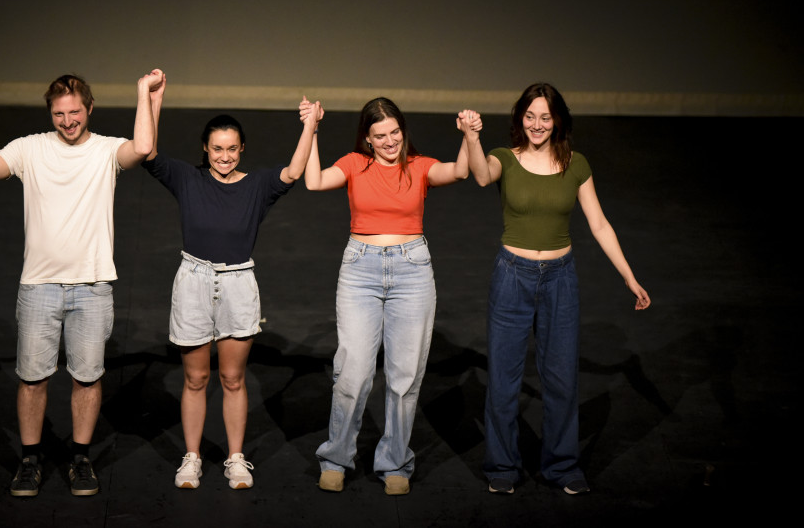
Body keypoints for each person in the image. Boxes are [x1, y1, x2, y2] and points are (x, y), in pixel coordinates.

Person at [0, 70, 164, 497]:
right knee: (33, 378)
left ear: (89, 108)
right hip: (39, 287)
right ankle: (30, 460)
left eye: (75, 112)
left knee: (86, 379)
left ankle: (80, 458)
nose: (68, 121)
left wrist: (145, 93)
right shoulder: (29, 148)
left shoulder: (106, 151)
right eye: (59, 114)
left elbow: (143, 147)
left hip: (93, 287)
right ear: (50, 113)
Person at [466, 82, 651, 496]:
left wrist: (628, 276)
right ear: (520, 119)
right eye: (530, 116)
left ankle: (563, 466)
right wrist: (471, 136)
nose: (537, 124)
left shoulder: (576, 164)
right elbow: (480, 176)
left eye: (545, 117)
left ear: (558, 120)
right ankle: (502, 466)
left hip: (560, 280)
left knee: (562, 377)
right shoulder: (504, 159)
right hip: (512, 277)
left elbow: (599, 224)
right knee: (504, 378)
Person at [141, 92, 323, 490]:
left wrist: (310, 124)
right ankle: (192, 458)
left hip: (239, 284)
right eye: (217, 149)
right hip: (194, 281)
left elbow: (293, 171)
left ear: (242, 149)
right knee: (195, 378)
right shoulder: (188, 178)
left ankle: (235, 458)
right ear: (205, 150)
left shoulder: (257, 185)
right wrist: (149, 99)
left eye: (232, 149)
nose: (225, 156)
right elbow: (148, 150)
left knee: (233, 378)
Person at [302, 96, 482, 495]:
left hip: (412, 269)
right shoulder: (354, 164)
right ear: (367, 139)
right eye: (380, 135)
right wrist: (311, 127)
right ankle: (336, 457)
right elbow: (313, 181)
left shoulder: (419, 167)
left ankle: (395, 461)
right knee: (352, 371)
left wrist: (470, 136)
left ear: (403, 131)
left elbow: (462, 171)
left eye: (395, 132)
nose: (389, 141)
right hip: (360, 269)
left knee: (404, 375)